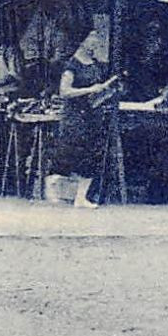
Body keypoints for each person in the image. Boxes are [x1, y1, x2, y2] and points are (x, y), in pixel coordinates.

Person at [50, 24, 123, 209]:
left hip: (92, 114)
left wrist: (105, 91)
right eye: (92, 37)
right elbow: (64, 91)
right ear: (82, 41)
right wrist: (89, 90)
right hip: (74, 116)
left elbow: (96, 90)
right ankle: (53, 186)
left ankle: (81, 197)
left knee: (91, 155)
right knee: (69, 152)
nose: (96, 41)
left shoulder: (95, 64)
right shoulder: (72, 65)